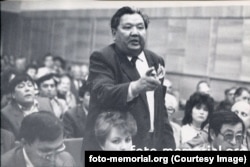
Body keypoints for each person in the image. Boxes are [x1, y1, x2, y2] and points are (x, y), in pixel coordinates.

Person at [83, 6, 175, 152]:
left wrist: (169, 146)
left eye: (140, 27)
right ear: (114, 33)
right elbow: (102, 93)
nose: (135, 33)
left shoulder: (155, 60)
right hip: (117, 145)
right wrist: (136, 86)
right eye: (127, 27)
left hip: (152, 145)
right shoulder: (102, 57)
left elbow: (159, 109)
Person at [1, 111, 76, 167]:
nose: (54, 158)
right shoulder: (4, 164)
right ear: (24, 143)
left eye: (58, 148)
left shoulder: (66, 159)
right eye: (46, 151)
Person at [1, 74, 53, 139]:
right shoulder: (6, 114)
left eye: (30, 85)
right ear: (13, 94)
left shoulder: (45, 102)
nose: (27, 89)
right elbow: (11, 142)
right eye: (21, 86)